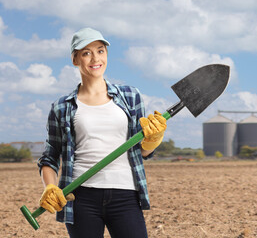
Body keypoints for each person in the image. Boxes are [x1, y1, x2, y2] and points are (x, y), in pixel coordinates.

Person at [37, 27, 166, 238]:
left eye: (100, 50)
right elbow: (49, 158)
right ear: (75, 59)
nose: (95, 58)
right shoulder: (62, 107)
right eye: (86, 52)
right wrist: (50, 187)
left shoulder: (130, 96)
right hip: (81, 196)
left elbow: (142, 152)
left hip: (126, 194)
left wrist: (152, 141)